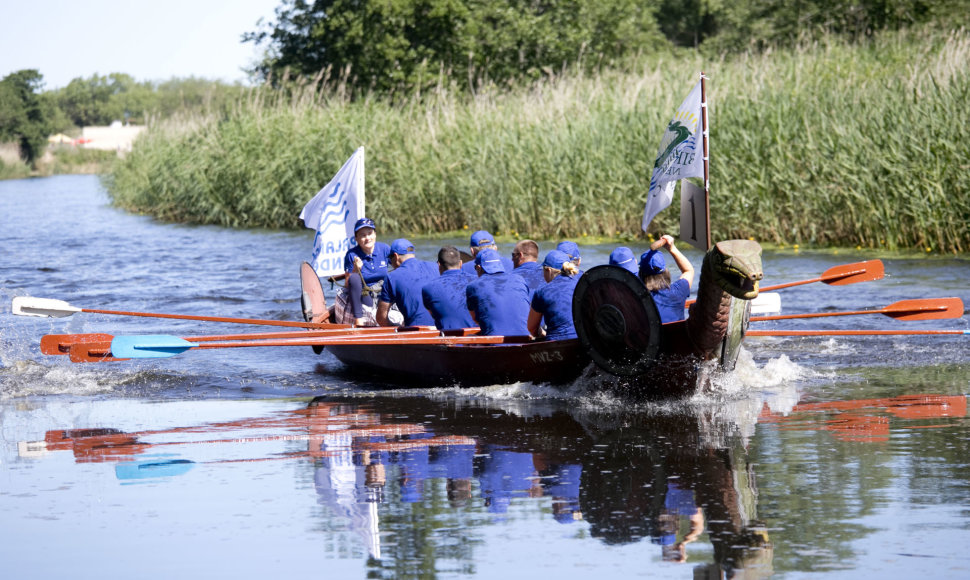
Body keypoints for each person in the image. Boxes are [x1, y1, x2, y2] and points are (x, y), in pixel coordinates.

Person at [337, 217, 392, 326]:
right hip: (365, 295)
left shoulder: (385, 249)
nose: (367, 238)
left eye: (370, 233)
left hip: (384, 293)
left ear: (375, 234)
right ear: (356, 238)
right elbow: (348, 284)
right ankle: (359, 319)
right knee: (354, 277)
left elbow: (399, 266)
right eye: (363, 235)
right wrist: (356, 270)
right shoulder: (351, 255)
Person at [465, 248, 531, 336]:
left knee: (470, 336)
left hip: (495, 342)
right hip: (525, 339)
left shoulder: (473, 286)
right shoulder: (519, 279)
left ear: (478, 268)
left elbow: (476, 319)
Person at [376, 238, 440, 327]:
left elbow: (381, 318)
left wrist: (397, 327)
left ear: (396, 256)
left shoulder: (392, 277)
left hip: (415, 333)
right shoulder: (436, 267)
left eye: (390, 259)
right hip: (442, 330)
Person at [639, 234, 694, 324]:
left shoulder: (635, 299)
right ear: (665, 272)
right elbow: (688, 270)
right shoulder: (678, 291)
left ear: (641, 273)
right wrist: (671, 248)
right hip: (675, 337)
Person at [527, 250, 580, 340]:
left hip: (556, 345)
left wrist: (542, 333)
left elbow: (531, 328)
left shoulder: (542, 292)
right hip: (583, 340)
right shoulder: (580, 284)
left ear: (549, 270)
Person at [421, 246, 476, 331]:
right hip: (476, 339)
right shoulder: (477, 281)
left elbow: (434, 314)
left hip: (448, 340)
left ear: (438, 265)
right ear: (461, 263)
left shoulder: (428, 288)